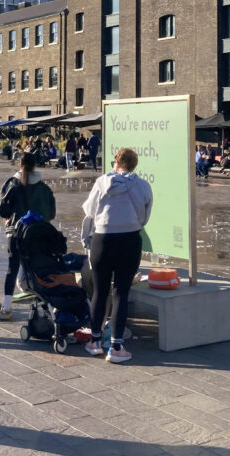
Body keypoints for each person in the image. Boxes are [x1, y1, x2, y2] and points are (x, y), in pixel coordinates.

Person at [81, 147, 152, 364]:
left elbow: (89, 211)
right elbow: (145, 215)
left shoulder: (101, 182)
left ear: (116, 163)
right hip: (129, 239)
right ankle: (116, 347)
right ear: (134, 165)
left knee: (100, 291)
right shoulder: (142, 185)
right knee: (121, 291)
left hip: (102, 240)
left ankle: (94, 342)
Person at [0, 153, 56, 320]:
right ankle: (47, 308)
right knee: (38, 270)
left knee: (12, 269)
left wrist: (10, 216)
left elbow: (2, 209)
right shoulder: (44, 188)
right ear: (35, 166)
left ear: (19, 165)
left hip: (16, 233)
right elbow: (51, 214)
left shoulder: (12, 184)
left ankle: (6, 307)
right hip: (38, 235)